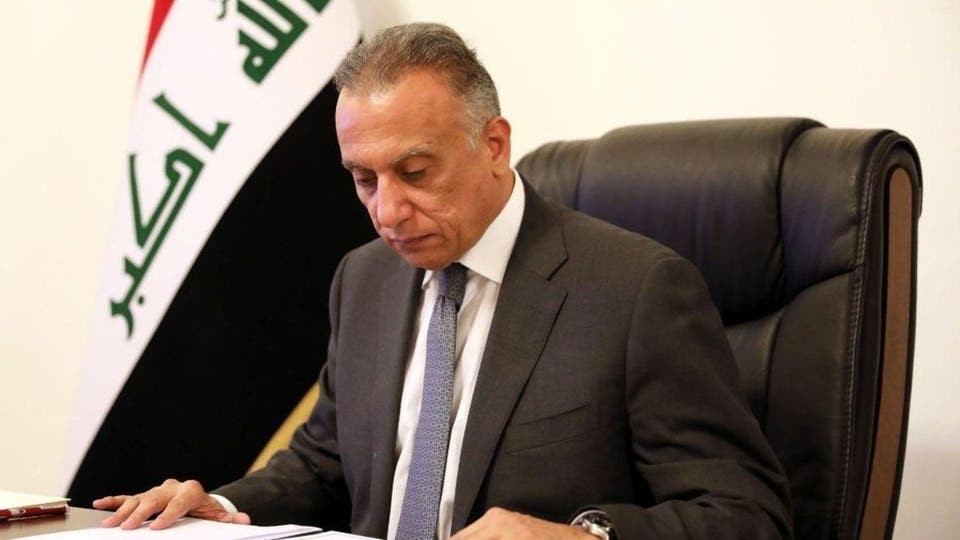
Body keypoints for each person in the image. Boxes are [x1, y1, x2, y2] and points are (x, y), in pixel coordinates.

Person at [94, 23, 793, 539]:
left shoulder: (636, 292)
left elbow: (746, 515)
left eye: (415, 173)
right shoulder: (364, 278)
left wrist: (581, 536)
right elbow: (326, 465)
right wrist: (220, 506)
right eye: (363, 179)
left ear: (493, 145)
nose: (387, 212)